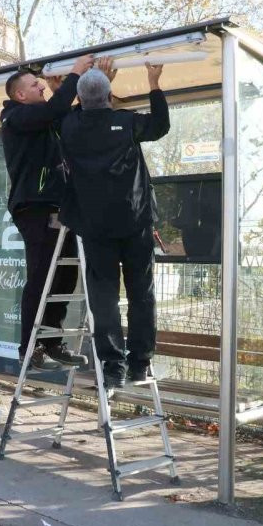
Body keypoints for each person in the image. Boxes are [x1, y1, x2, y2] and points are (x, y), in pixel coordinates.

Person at [58, 63, 170, 389]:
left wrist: (95, 88)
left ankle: (112, 367)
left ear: (80, 99)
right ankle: (140, 364)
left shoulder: (70, 127)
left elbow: (74, 112)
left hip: (95, 228)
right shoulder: (127, 122)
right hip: (135, 223)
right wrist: (153, 82)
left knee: (104, 297)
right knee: (141, 294)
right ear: (110, 96)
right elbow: (160, 125)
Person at [1, 52, 95, 370]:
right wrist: (75, 74)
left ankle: (52, 342)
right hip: (36, 208)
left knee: (65, 276)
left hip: (60, 207)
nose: (41, 86)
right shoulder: (15, 117)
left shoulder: (40, 118)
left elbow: (62, 115)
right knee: (41, 276)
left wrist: (60, 90)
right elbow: (54, 110)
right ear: (20, 95)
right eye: (35, 84)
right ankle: (29, 349)